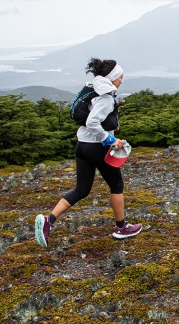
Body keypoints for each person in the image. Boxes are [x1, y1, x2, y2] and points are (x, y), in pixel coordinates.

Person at [35, 58, 142, 247]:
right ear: (113, 77)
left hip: (82, 145)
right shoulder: (106, 97)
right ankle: (121, 227)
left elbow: (92, 117)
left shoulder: (93, 88)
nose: (121, 80)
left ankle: (48, 220)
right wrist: (111, 140)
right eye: (120, 77)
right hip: (97, 147)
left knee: (81, 190)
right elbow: (93, 122)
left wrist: (110, 126)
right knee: (116, 185)